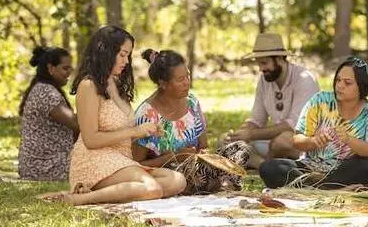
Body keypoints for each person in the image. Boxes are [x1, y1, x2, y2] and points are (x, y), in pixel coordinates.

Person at [51, 25, 186, 204]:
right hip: (95, 160)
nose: (127, 61)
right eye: (122, 55)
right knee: (152, 188)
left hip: (121, 160)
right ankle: (80, 199)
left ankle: (109, 191)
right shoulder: (88, 86)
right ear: (105, 52)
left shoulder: (118, 85)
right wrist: (135, 131)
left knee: (177, 180)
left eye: (128, 55)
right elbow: (90, 140)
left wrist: (149, 131)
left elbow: (124, 132)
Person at [259, 56, 368, 190]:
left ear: (363, 86)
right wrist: (313, 141)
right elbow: (297, 140)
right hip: (311, 169)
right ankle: (326, 188)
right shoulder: (320, 101)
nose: (340, 85)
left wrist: (349, 140)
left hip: (345, 171)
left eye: (347, 82)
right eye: (338, 80)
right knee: (269, 168)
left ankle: (312, 188)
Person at [133, 49, 250, 193]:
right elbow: (136, 165)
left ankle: (219, 183)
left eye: (187, 76)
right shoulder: (147, 114)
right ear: (163, 83)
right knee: (189, 176)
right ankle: (221, 184)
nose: (187, 83)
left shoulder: (192, 103)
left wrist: (205, 157)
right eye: (180, 79)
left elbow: (204, 147)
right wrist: (173, 157)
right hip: (172, 176)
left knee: (241, 148)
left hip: (199, 169)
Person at [221, 33, 319, 169]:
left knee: (282, 141)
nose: (261, 69)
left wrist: (251, 134)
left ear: (279, 59)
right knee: (225, 141)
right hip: (272, 144)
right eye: (258, 63)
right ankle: (265, 165)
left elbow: (294, 126)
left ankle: (263, 165)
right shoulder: (265, 80)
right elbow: (256, 119)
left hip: (304, 144)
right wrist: (240, 134)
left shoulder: (304, 79)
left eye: (264, 63)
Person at [18, 46, 79, 180]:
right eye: (65, 68)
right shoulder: (47, 92)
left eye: (70, 68)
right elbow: (76, 124)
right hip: (44, 167)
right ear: (51, 68)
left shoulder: (43, 88)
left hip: (45, 164)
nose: (69, 72)